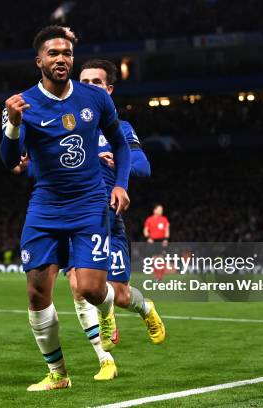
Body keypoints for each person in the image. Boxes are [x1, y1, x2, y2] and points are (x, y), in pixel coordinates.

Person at [0, 26, 131, 391]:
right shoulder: (21, 105)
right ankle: (58, 374)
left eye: (67, 53)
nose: (61, 59)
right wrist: (11, 125)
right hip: (45, 206)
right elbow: (9, 159)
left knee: (90, 289)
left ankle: (105, 309)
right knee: (37, 291)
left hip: (90, 204)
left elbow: (120, 144)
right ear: (39, 60)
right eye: (53, 53)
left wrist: (120, 184)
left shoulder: (95, 98)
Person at [65, 59, 165, 380]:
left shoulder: (119, 128)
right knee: (79, 288)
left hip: (109, 221)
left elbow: (143, 166)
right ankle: (104, 359)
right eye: (84, 81)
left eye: (97, 82)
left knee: (118, 294)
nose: (89, 86)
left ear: (108, 89)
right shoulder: (66, 125)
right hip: (76, 220)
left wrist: (115, 163)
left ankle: (144, 308)